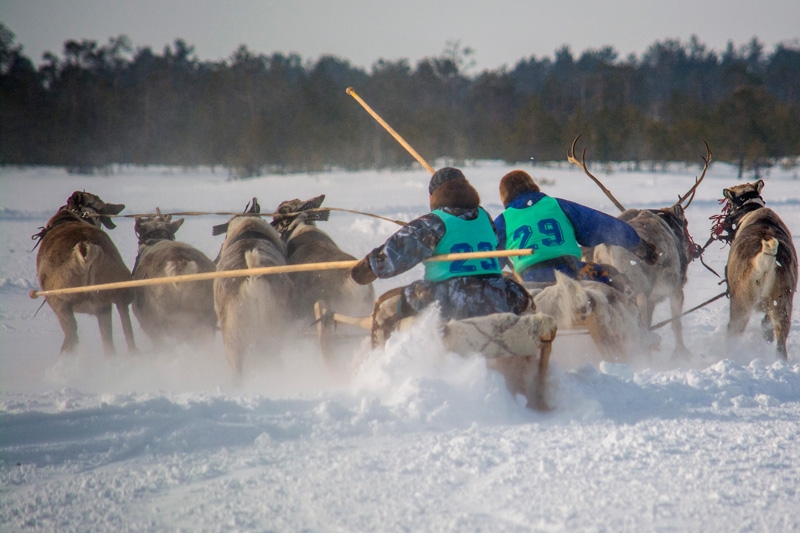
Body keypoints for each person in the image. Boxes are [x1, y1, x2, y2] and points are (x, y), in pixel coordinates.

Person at [349, 167, 532, 346]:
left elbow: (391, 258)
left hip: (451, 300)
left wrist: (366, 269)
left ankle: (381, 367)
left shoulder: (433, 222)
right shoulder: (486, 217)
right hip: (498, 296)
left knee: (383, 308)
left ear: (433, 196)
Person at [494, 170, 657, 286]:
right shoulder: (556, 205)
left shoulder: (503, 220)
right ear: (533, 187)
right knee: (619, 280)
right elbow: (603, 225)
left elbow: (493, 261)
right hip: (572, 271)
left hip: (529, 279)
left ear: (505, 197)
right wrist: (639, 246)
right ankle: (640, 331)